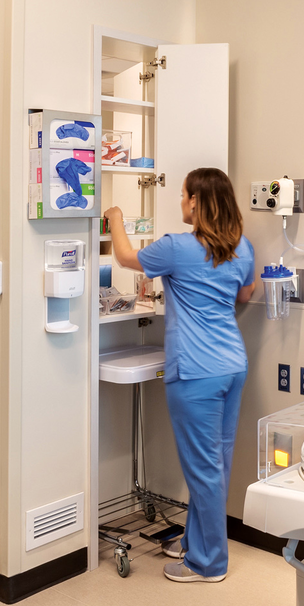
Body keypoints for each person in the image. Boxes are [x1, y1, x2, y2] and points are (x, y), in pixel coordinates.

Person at [104, 168, 254, 583]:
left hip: (195, 372)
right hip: (232, 365)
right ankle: (195, 542)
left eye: (184, 195)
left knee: (203, 470)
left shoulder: (176, 248)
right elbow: (245, 294)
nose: (180, 201)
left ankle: (207, 564)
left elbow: (125, 258)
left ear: (196, 203)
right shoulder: (242, 248)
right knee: (216, 463)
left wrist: (115, 218)